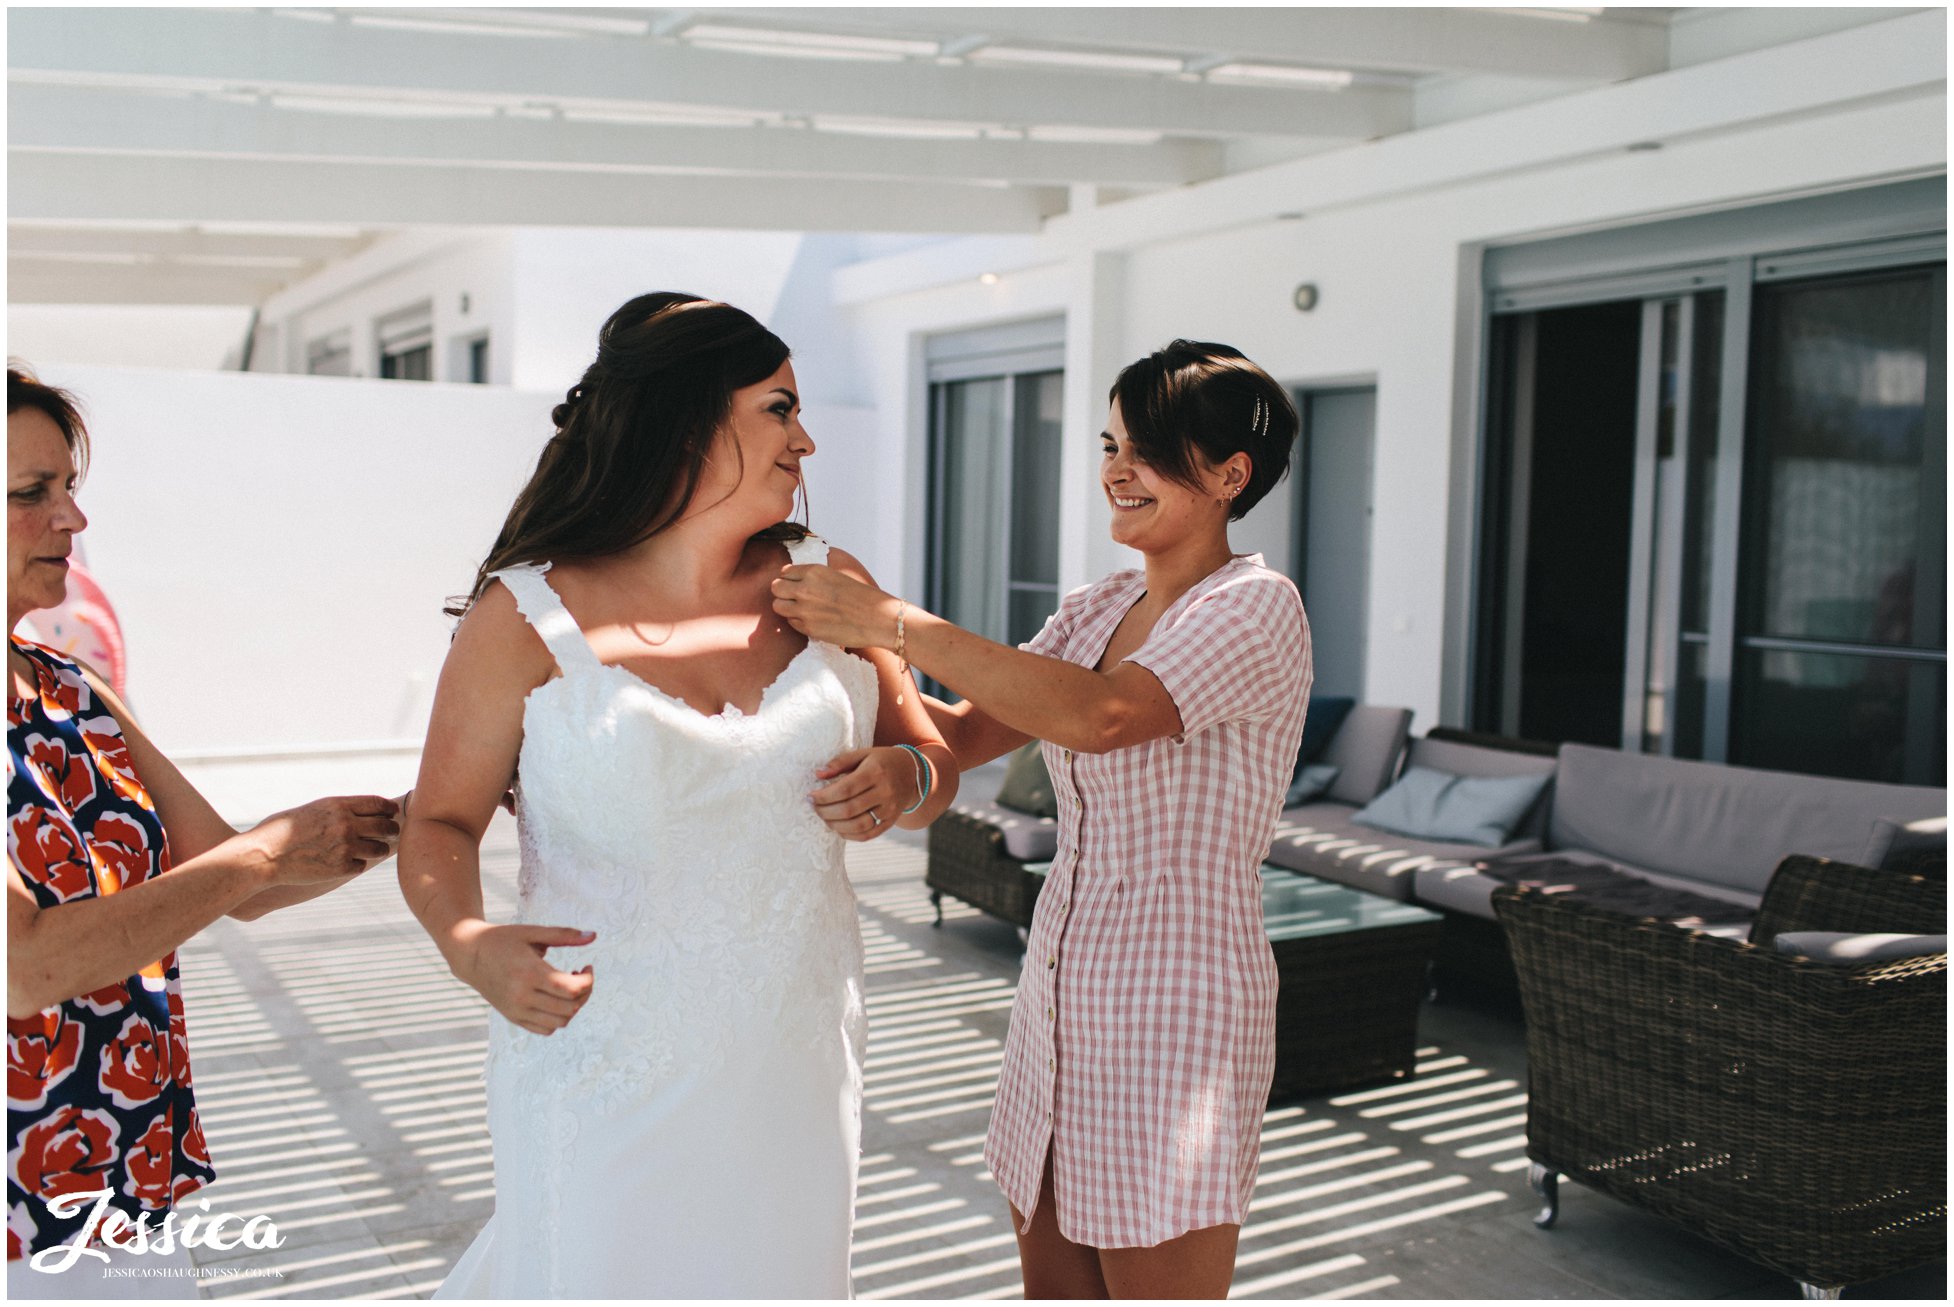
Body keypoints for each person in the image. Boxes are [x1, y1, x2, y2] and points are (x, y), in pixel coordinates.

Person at [399, 293, 959, 1298]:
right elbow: (438, 819)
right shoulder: (524, 614)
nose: (808, 439)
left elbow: (930, 761)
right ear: (692, 417)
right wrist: (466, 939)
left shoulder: (831, 582)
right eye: (780, 408)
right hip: (601, 1066)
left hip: (794, 1065)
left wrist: (905, 774)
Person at [772, 339, 1311, 1299]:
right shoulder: (1098, 605)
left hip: (1178, 1009)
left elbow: (1102, 717)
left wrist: (892, 620)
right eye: (1111, 442)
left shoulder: (1257, 606)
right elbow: (961, 735)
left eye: (1150, 448)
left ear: (1233, 474)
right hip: (1060, 997)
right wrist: (887, 731)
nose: (1117, 468)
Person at [6, 366, 402, 1297]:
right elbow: (23, 966)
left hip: (123, 1178)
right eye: (31, 494)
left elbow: (239, 880)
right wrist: (262, 850)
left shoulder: (69, 689)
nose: (72, 520)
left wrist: (428, 812)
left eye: (70, 488)